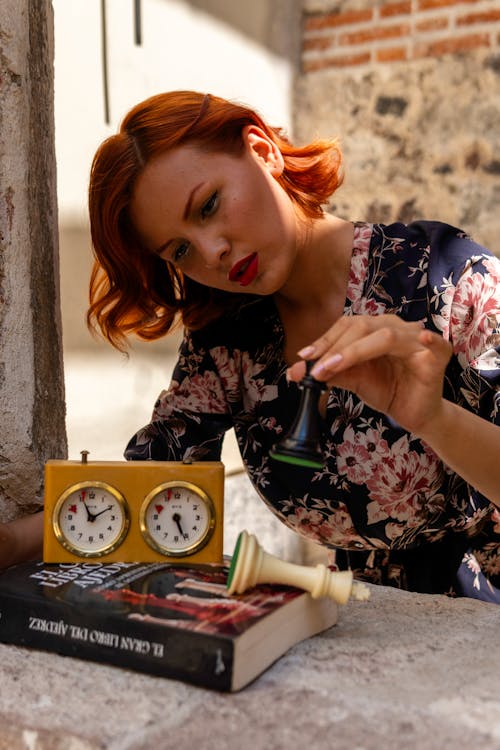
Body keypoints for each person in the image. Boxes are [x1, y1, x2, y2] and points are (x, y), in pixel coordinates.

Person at [2, 90, 500, 603]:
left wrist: (434, 419)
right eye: (180, 249)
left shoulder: (447, 278)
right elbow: (153, 488)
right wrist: (11, 542)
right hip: (357, 622)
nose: (212, 252)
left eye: (209, 206)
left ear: (263, 150)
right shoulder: (227, 340)